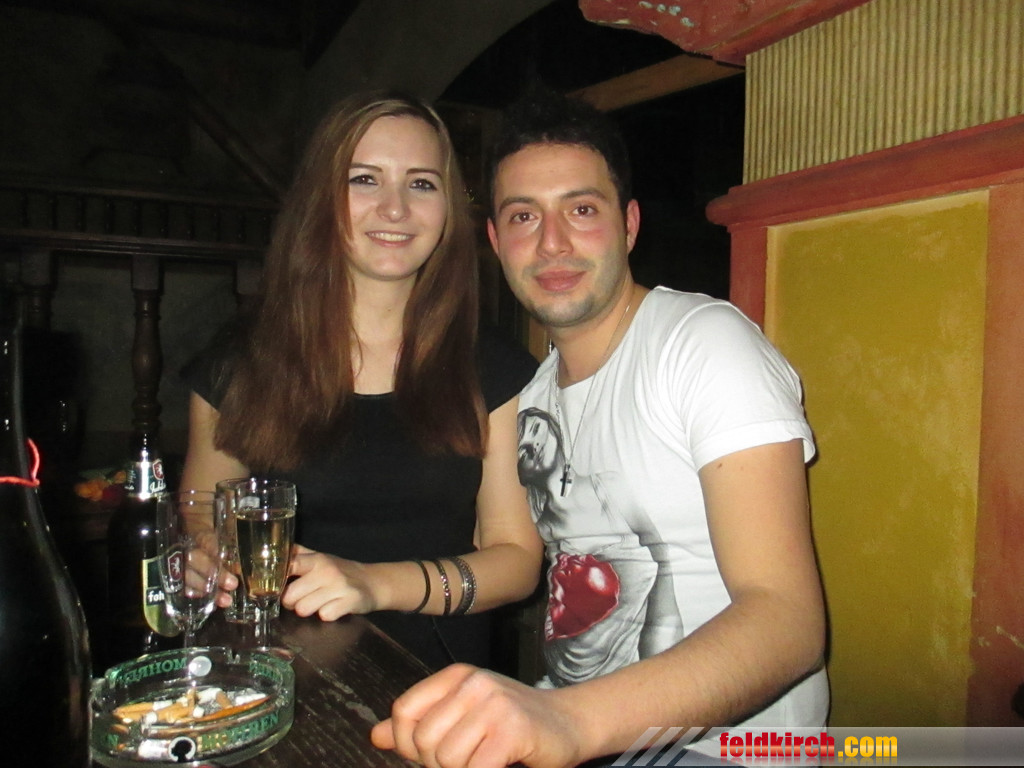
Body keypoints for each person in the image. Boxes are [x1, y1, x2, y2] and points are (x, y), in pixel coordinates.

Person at [370, 89, 829, 766]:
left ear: (629, 224)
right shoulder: (533, 396)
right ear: (496, 241)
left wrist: (567, 721)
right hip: (584, 732)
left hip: (725, 749)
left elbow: (789, 622)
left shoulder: (703, 344)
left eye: (581, 210)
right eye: (524, 216)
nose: (552, 242)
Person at [179, 91, 543, 671]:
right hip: (275, 670)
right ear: (320, 199)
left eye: (421, 183)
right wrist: (204, 553)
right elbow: (202, 514)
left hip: (440, 682)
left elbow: (517, 560)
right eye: (365, 179)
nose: (395, 208)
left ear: (448, 210)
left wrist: (373, 584)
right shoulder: (237, 362)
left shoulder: (495, 369)